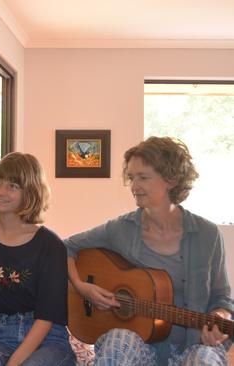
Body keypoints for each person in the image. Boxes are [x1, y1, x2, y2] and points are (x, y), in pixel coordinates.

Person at [65, 136, 234, 366]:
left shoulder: (207, 234)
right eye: (132, 177)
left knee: (203, 360)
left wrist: (221, 317)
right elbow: (66, 246)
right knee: (116, 342)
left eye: (143, 177)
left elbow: (222, 297)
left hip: (194, 346)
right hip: (141, 346)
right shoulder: (120, 229)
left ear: (172, 179)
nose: (134, 186)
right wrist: (81, 286)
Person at [0, 152, 76, 366]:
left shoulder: (51, 245)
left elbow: (46, 319)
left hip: (48, 339)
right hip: (2, 333)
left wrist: (12, 364)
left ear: (30, 192)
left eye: (12, 186)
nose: (1, 191)